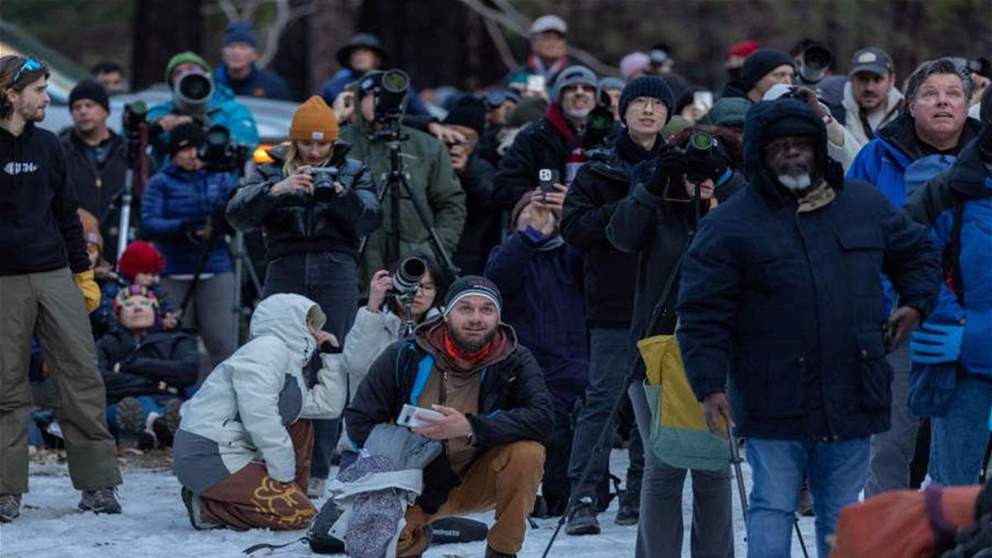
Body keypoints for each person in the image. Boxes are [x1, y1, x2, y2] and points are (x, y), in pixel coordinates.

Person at [677, 98, 941, 558]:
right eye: (781, 148)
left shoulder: (862, 205)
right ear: (760, 155)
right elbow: (702, 311)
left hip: (852, 386)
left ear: (819, 150)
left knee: (842, 511)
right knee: (773, 505)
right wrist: (707, 385)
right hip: (771, 394)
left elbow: (917, 252)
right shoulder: (730, 223)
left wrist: (916, 304)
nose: (794, 156)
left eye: (802, 146)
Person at [227, 95, 381, 494]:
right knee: (275, 363)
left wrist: (340, 193)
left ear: (334, 142)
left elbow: (371, 218)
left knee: (330, 364)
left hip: (336, 268)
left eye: (323, 144)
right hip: (286, 267)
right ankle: (275, 457)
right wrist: (277, 190)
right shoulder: (269, 168)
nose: (315, 153)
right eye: (307, 144)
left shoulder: (354, 169)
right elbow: (237, 215)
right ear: (293, 142)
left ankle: (317, 471)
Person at [607, 124, 743, 558]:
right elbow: (620, 236)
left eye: (710, 169)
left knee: (713, 467)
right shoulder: (658, 206)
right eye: (689, 169)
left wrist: (729, 186)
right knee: (662, 466)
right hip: (654, 350)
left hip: (721, 353)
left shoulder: (739, 209)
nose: (698, 177)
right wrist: (655, 180)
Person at [345, 276, 553, 558]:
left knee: (527, 453)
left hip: (479, 476)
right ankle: (413, 538)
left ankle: (502, 551)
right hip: (413, 481)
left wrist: (469, 427)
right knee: (382, 542)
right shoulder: (405, 354)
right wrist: (417, 453)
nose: (476, 318)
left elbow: (543, 418)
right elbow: (359, 420)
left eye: (486, 310)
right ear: (446, 313)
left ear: (499, 317)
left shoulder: (515, 358)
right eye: (465, 308)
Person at [849, 58, 981, 497]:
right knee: (890, 447)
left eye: (953, 94)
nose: (942, 102)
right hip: (899, 322)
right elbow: (855, 236)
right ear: (909, 104)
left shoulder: (986, 158)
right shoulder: (877, 156)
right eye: (930, 93)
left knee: (959, 455)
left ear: (969, 104)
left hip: (974, 327)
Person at [0, 55, 122, 522]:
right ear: (12, 94)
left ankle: (98, 485)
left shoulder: (50, 145)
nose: (46, 99)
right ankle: (6, 489)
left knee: (81, 377)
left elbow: (68, 214)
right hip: (4, 283)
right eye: (38, 90)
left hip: (55, 275)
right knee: (7, 386)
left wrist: (82, 274)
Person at [561, 76, 674, 534]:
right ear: (622, 111)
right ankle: (583, 495)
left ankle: (642, 492)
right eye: (639, 103)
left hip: (666, 301)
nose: (648, 111)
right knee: (603, 401)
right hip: (612, 302)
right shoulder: (597, 168)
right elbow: (574, 229)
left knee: (659, 404)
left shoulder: (680, 164)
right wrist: (630, 208)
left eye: (657, 104)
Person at [173, 293, 347, 530]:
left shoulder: (290, 366)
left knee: (302, 421)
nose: (315, 331)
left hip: (230, 452)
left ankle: (283, 496)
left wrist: (332, 357)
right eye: (309, 323)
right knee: (300, 515)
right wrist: (283, 474)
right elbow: (259, 414)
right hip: (208, 453)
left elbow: (327, 407)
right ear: (288, 320)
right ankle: (206, 508)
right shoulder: (267, 349)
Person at [903, 90, 992, 487]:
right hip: (964, 366)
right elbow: (903, 251)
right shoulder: (952, 188)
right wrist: (946, 317)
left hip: (967, 347)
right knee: (952, 497)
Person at [485, 187, 586, 518]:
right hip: (519, 361)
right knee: (523, 430)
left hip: (567, 358)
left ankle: (562, 495)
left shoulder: (570, 254)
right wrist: (529, 237)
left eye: (545, 212)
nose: (538, 218)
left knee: (563, 430)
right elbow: (496, 282)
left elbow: (595, 267)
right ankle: (518, 493)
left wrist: (572, 213)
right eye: (528, 213)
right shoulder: (506, 253)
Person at [339, 71, 465, 293]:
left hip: (413, 268)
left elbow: (451, 203)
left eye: (388, 96)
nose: (381, 102)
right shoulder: (339, 144)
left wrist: (432, 252)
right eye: (372, 95)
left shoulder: (426, 147)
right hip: (356, 266)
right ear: (359, 99)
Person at [140, 123, 238, 371]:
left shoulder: (220, 177)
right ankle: (178, 399)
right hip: (173, 269)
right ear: (173, 153)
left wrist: (221, 224)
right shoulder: (160, 182)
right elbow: (149, 222)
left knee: (222, 340)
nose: (192, 155)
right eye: (185, 149)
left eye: (197, 148)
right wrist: (182, 228)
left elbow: (237, 212)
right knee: (176, 341)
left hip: (215, 267)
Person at [96, 285, 197, 449]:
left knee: (174, 409)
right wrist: (155, 382)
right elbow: (99, 378)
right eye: (128, 304)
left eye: (144, 303)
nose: (137, 308)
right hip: (120, 403)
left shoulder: (177, 339)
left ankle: (150, 435)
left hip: (167, 401)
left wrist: (131, 366)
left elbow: (187, 371)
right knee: (131, 407)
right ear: (117, 314)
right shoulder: (106, 343)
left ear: (155, 311)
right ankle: (159, 428)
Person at [494, 65, 598, 209]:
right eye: (571, 88)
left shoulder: (612, 137)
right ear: (559, 97)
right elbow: (505, 185)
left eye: (587, 88)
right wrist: (536, 198)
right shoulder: (533, 136)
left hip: (598, 221)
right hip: (546, 219)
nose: (579, 92)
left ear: (596, 97)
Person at [147, 51, 259, 166]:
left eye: (192, 69)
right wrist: (159, 126)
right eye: (178, 73)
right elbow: (136, 134)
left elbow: (247, 145)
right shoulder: (163, 112)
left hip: (222, 182)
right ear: (172, 84)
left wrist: (204, 130)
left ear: (207, 75)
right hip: (169, 182)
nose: (186, 75)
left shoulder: (232, 110)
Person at [58, 79, 128, 261]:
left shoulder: (128, 152)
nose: (82, 111)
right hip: (74, 252)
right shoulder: (58, 151)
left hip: (120, 251)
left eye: (89, 105)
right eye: (76, 107)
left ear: (105, 110)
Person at [445, 96, 499, 275]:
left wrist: (465, 173)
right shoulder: (426, 161)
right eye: (452, 133)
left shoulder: (483, 168)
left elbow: (488, 200)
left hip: (468, 254)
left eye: (466, 138)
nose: (456, 142)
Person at [319, 33, 430, 116]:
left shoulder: (393, 82)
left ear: (377, 59)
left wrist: (430, 122)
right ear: (349, 59)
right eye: (355, 52)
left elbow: (420, 113)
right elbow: (316, 115)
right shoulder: (333, 87)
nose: (360, 56)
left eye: (366, 51)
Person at [212, 21, 292, 101]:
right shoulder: (212, 83)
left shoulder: (273, 86)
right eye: (231, 46)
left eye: (243, 47)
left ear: (254, 54)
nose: (236, 52)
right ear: (223, 52)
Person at [842, 47, 905, 150]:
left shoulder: (907, 116)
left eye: (877, 79)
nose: (869, 88)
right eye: (863, 79)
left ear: (892, 80)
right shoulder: (835, 115)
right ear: (851, 80)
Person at [709, 47, 794, 120]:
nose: (788, 81)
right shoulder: (731, 111)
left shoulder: (791, 107)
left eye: (791, 76)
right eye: (779, 75)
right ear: (756, 77)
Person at [504, 15, 573, 92]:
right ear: (533, 43)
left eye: (558, 38)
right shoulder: (520, 75)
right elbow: (498, 93)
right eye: (547, 38)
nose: (553, 43)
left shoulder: (574, 74)